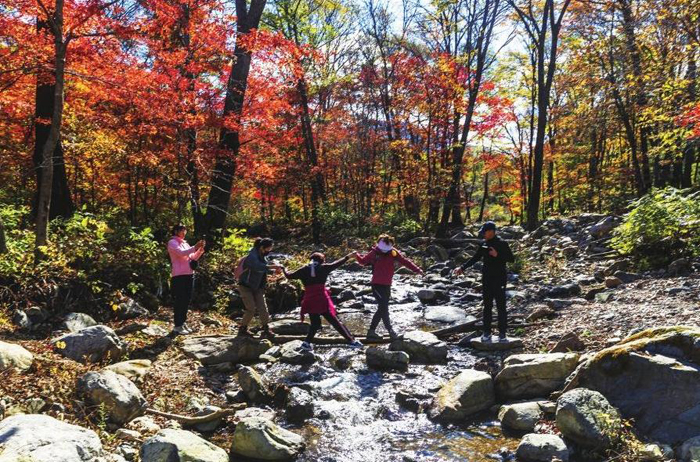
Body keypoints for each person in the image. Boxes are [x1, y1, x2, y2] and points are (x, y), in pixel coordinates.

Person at [284, 252, 362, 350]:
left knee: (315, 323)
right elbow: (338, 263)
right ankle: (352, 341)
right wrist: (349, 256)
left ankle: (306, 343)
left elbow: (289, 276)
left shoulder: (303, 270)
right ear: (321, 261)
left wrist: (283, 269)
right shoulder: (324, 268)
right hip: (321, 299)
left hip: (309, 300)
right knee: (334, 321)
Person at [355, 234, 424, 341]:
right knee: (384, 308)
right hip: (377, 285)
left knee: (382, 308)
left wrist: (417, 270)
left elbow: (405, 261)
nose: (384, 251)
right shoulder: (374, 252)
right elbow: (363, 262)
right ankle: (390, 331)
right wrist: (356, 255)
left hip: (387, 285)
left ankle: (371, 332)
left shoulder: (393, 252)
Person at [454, 221, 514, 342]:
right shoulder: (484, 244)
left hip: (500, 279)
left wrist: (497, 255)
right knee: (487, 306)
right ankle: (487, 332)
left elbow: (511, 259)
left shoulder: (502, 244)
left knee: (501, 306)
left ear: (491, 232)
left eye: (484, 232)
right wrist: (462, 268)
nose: (483, 235)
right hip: (487, 279)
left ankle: (502, 333)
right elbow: (475, 258)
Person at [237, 237, 283, 338]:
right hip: (246, 286)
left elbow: (264, 268)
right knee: (251, 309)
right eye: (268, 249)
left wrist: (274, 271)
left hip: (258, 287)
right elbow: (258, 267)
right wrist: (273, 268)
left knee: (263, 308)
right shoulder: (251, 257)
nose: (269, 251)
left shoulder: (263, 256)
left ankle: (266, 329)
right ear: (262, 247)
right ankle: (242, 328)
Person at [167, 224, 205, 335]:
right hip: (179, 275)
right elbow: (181, 253)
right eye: (181, 230)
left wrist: (200, 250)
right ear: (175, 231)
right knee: (180, 300)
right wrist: (195, 247)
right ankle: (177, 325)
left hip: (189, 274)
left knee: (186, 300)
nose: (184, 232)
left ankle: (182, 323)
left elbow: (192, 257)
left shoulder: (185, 243)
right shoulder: (172, 242)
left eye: (185, 230)